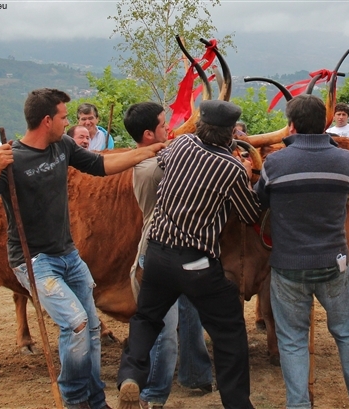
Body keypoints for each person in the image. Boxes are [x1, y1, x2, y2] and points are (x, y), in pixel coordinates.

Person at [0, 88, 164, 409]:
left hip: (69, 254)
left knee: (93, 329)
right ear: (47, 120)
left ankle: (96, 400)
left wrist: (150, 151)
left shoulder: (63, 146)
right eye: (63, 117)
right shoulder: (11, 158)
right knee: (76, 324)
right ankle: (74, 399)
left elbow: (101, 166)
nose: (68, 122)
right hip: (35, 260)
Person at [117, 100, 260, 409]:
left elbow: (163, 162)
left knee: (146, 318)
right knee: (229, 331)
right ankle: (237, 403)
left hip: (156, 253)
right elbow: (250, 213)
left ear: (200, 126)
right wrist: (250, 175)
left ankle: (131, 375)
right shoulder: (231, 168)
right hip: (196, 262)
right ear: (229, 134)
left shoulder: (181, 144)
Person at [255, 94, 349, 409]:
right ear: (324, 124)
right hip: (334, 262)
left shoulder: (275, 162)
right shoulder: (345, 161)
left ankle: (298, 404)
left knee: (293, 339)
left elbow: (260, 199)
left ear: (292, 125)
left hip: (288, 265)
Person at [123, 102, 214, 408]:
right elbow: (197, 162)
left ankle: (195, 374)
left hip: (184, 250)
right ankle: (151, 397)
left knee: (192, 314)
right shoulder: (153, 166)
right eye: (163, 124)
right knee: (164, 333)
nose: (169, 128)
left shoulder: (153, 157)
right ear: (148, 134)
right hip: (159, 254)